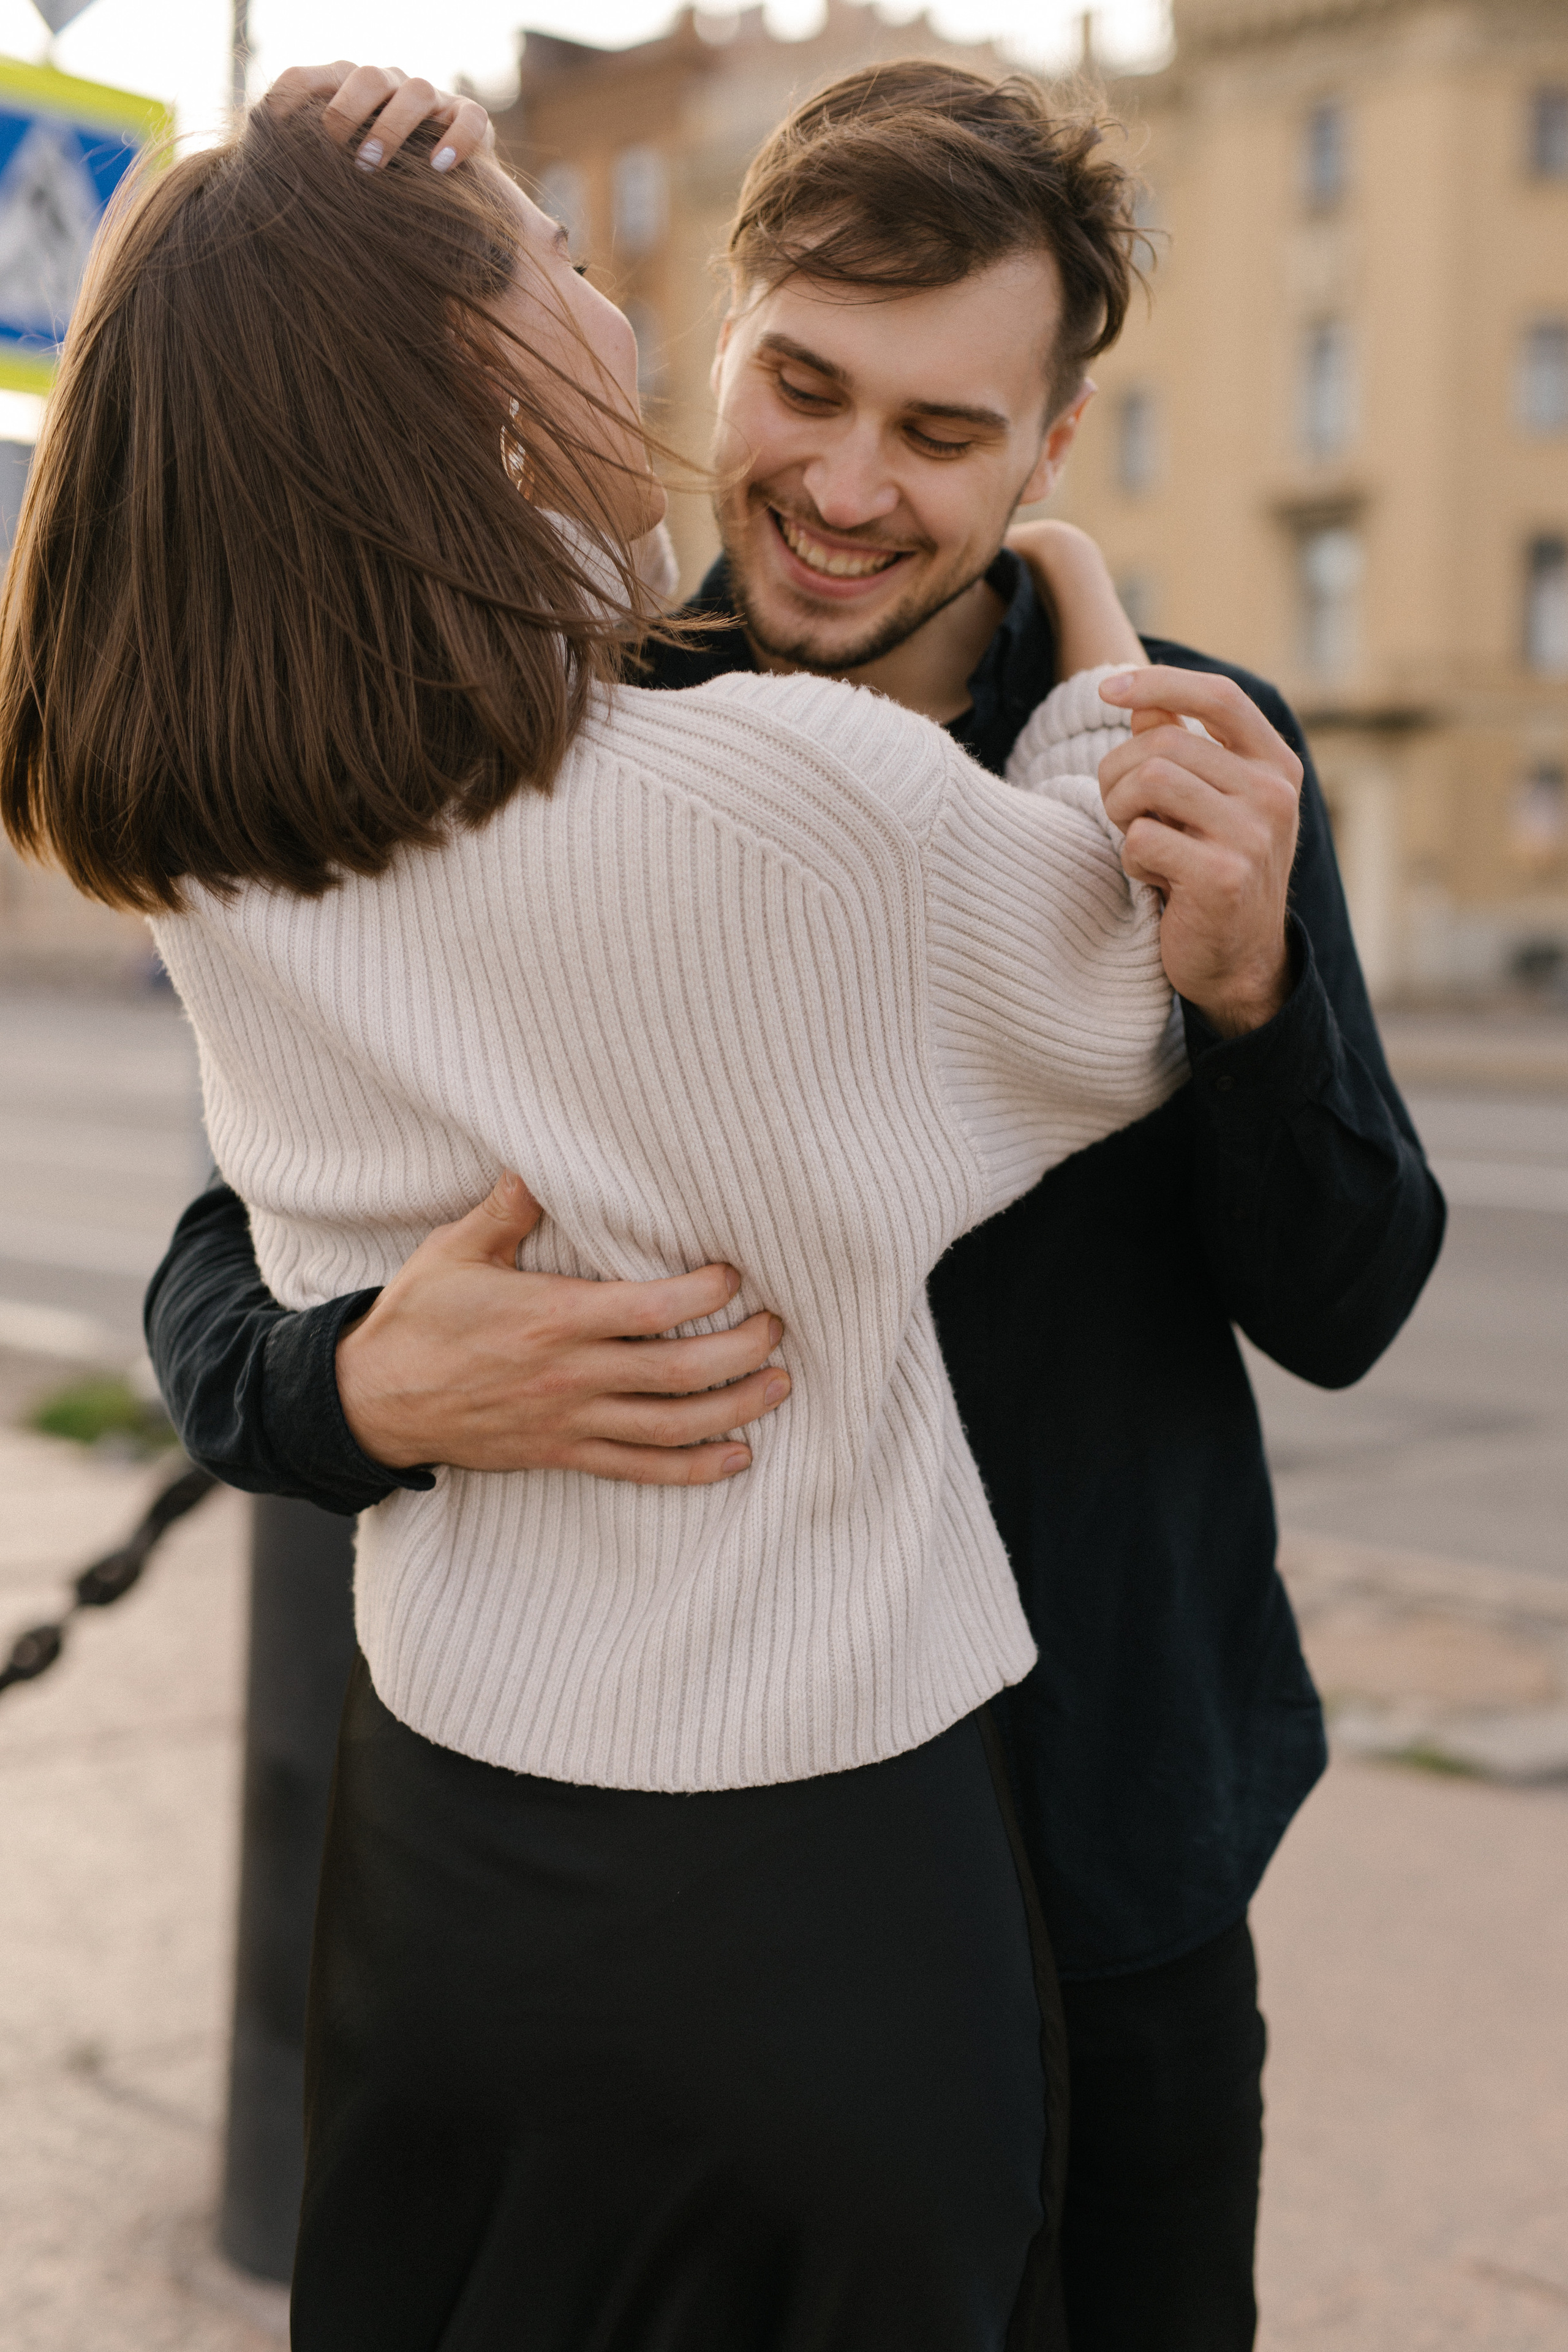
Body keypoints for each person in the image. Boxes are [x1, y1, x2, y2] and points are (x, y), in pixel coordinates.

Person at [137, 62, 1445, 2351]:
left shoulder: (1200, 756)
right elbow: (231, 1244)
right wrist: (355, 1382)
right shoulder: (541, 737)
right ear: (720, 334)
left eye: (943, 436)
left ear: (1053, 448)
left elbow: (1350, 1294)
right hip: (668, 1870)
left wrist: (1249, 993)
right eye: (805, 388)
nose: (844, 493)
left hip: (1109, 1835)